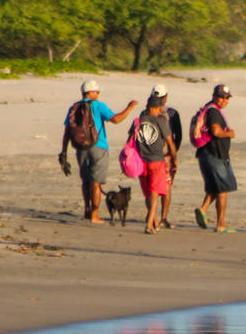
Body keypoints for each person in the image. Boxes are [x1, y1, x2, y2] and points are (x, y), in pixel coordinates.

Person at [61, 80, 138, 224]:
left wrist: (64, 152)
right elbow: (116, 119)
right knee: (96, 183)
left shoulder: (74, 107)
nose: (98, 93)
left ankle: (87, 209)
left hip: (80, 148)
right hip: (99, 147)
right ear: (91, 92)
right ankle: (94, 216)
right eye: (97, 91)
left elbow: (67, 132)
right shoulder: (98, 105)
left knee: (86, 181)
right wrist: (129, 108)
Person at [194, 84, 237, 233]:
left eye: (227, 98)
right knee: (222, 190)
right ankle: (221, 224)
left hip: (207, 155)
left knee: (214, 187)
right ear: (214, 96)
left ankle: (203, 210)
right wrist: (230, 134)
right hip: (214, 155)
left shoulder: (209, 109)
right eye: (221, 97)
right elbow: (216, 131)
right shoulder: (213, 112)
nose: (224, 100)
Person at [136, 95, 178, 234]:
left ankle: (153, 220)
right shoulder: (161, 121)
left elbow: (131, 140)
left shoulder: (138, 121)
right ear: (157, 108)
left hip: (141, 161)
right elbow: (170, 142)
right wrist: (174, 158)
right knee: (154, 192)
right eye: (160, 108)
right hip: (156, 160)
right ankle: (149, 222)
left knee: (148, 193)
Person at [149, 83, 182, 228]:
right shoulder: (172, 113)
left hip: (148, 154)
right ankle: (163, 218)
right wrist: (174, 154)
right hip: (166, 155)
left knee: (152, 187)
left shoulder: (146, 112)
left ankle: (152, 216)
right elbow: (178, 135)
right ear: (166, 96)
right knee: (166, 187)